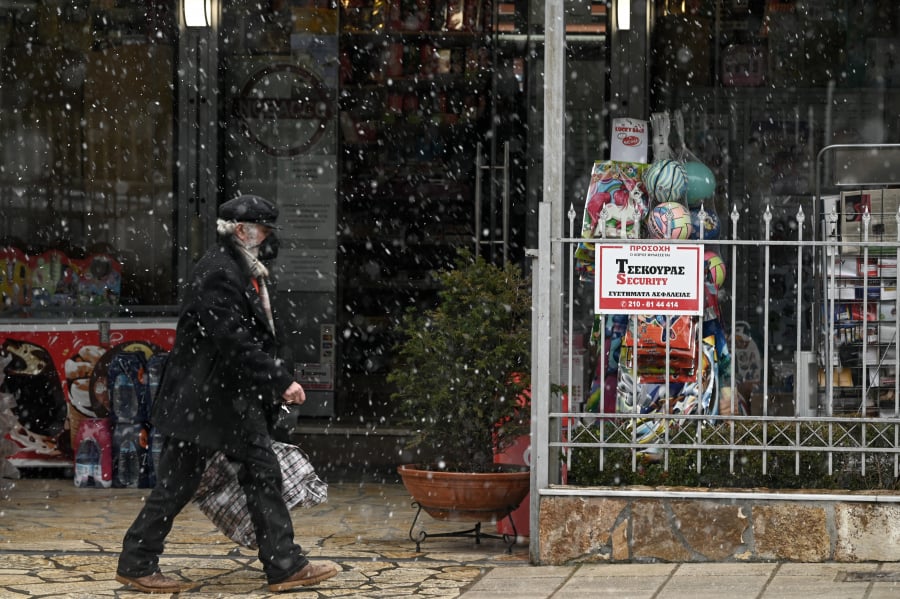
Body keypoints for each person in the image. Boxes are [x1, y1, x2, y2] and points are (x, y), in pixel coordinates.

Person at [115, 194, 338, 593]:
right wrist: (279, 381)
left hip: (223, 400)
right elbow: (232, 340)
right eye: (265, 230)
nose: (270, 239)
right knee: (182, 483)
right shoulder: (220, 271)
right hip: (207, 402)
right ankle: (137, 561)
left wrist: (271, 379)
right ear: (242, 231)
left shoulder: (240, 268)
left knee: (259, 473)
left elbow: (249, 338)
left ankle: (283, 565)